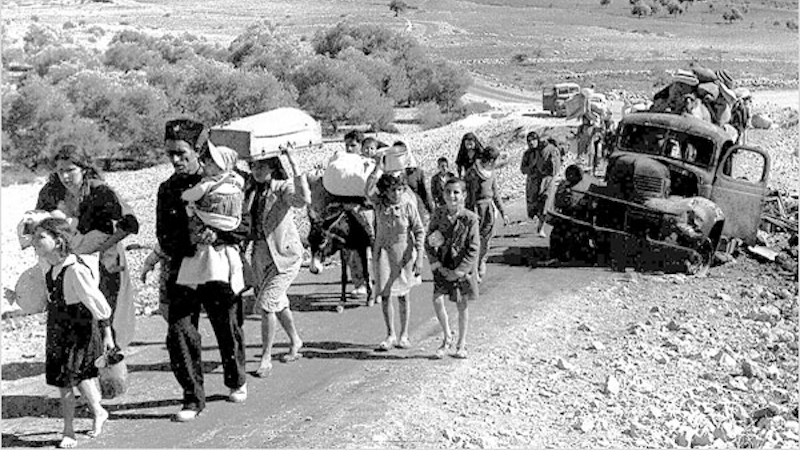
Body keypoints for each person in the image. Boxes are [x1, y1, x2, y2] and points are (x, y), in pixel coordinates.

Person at [157, 119, 248, 422]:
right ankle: (192, 398)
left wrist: (218, 236)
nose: (176, 160)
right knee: (180, 331)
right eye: (170, 154)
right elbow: (164, 235)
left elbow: (242, 226)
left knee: (227, 326)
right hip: (183, 269)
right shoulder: (167, 189)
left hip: (219, 268)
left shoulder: (228, 180)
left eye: (182, 153)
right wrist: (190, 239)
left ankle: (236, 379)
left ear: (198, 151)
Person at [36, 144, 138, 351]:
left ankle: (111, 362)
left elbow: (130, 223)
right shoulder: (50, 193)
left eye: (70, 170)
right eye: (60, 170)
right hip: (68, 261)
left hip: (105, 257)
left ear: (83, 168)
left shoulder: (100, 191)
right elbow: (39, 223)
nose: (65, 176)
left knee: (107, 308)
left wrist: (101, 247)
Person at [32, 217, 115, 449]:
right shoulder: (48, 266)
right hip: (57, 328)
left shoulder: (76, 270)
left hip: (78, 330)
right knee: (74, 377)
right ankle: (99, 412)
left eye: (40, 237)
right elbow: (45, 298)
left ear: (58, 241)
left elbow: (97, 303)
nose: (34, 242)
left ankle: (69, 431)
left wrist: (108, 335)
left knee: (68, 380)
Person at [247, 149, 309, 378]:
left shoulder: (282, 188)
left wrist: (294, 163)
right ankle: (295, 340)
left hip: (285, 255)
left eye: (262, 166)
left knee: (266, 304)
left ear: (273, 167)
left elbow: (302, 200)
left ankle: (265, 357)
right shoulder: (252, 191)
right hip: (261, 256)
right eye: (254, 167)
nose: (257, 171)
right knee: (277, 303)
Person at [365, 160, 425, 351]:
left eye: (399, 189)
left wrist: (420, 257)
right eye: (392, 190)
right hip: (383, 253)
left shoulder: (408, 206)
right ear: (385, 191)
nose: (396, 194)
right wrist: (377, 168)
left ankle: (404, 335)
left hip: (404, 254)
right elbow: (367, 190)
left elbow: (419, 230)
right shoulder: (379, 204)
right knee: (385, 295)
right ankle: (390, 334)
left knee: (403, 295)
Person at [176, 144, 245, 294]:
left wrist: (184, 196)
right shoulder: (237, 182)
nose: (206, 165)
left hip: (213, 245)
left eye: (210, 162)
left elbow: (188, 196)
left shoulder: (208, 184)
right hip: (229, 235)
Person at [425, 178, 480, 360]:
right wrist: (435, 263)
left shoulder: (470, 219)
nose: (452, 196)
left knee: (461, 305)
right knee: (437, 300)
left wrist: (461, 271)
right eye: (448, 192)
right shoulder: (438, 215)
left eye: (456, 192)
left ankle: (461, 344)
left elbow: (473, 247)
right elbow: (428, 241)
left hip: (460, 268)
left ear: (464, 195)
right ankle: (447, 335)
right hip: (442, 266)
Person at [464, 146, 508, 281]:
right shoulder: (473, 173)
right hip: (476, 209)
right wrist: (470, 213)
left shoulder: (491, 173)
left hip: (489, 209)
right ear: (490, 160)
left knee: (486, 239)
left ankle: (482, 260)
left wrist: (503, 212)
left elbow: (495, 193)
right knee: (475, 240)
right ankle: (474, 271)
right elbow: (469, 194)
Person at [520, 131, 561, 238]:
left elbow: (555, 167)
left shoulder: (547, 150)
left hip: (547, 182)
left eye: (533, 140)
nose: (531, 143)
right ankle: (539, 221)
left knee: (545, 204)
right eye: (528, 141)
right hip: (533, 183)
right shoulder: (527, 154)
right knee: (534, 206)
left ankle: (541, 228)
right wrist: (531, 167)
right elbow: (523, 169)